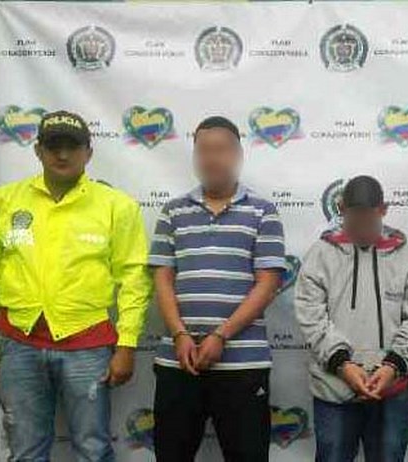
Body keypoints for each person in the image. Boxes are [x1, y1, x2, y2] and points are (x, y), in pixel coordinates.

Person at [0, 110, 152, 461]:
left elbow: (134, 278)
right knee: (25, 452)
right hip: (18, 343)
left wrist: (127, 344)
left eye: (72, 146)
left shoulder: (117, 206)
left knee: (93, 449)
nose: (63, 155)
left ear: (88, 153)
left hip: (88, 344)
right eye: (53, 146)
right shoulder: (5, 201)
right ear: (38, 150)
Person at [149, 116, 286, 462]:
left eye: (221, 149)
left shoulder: (263, 212)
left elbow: (268, 283)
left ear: (238, 155)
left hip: (242, 364)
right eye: (204, 150)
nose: (212, 158)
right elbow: (162, 278)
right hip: (178, 360)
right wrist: (180, 334)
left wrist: (221, 335)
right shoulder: (172, 212)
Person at [295, 175, 408, 462]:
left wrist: (393, 365)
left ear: (383, 210)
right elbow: (310, 314)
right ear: (341, 209)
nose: (361, 230)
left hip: (391, 388)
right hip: (334, 385)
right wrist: (342, 364)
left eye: (369, 221)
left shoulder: (406, 255)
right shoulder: (321, 254)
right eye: (354, 221)